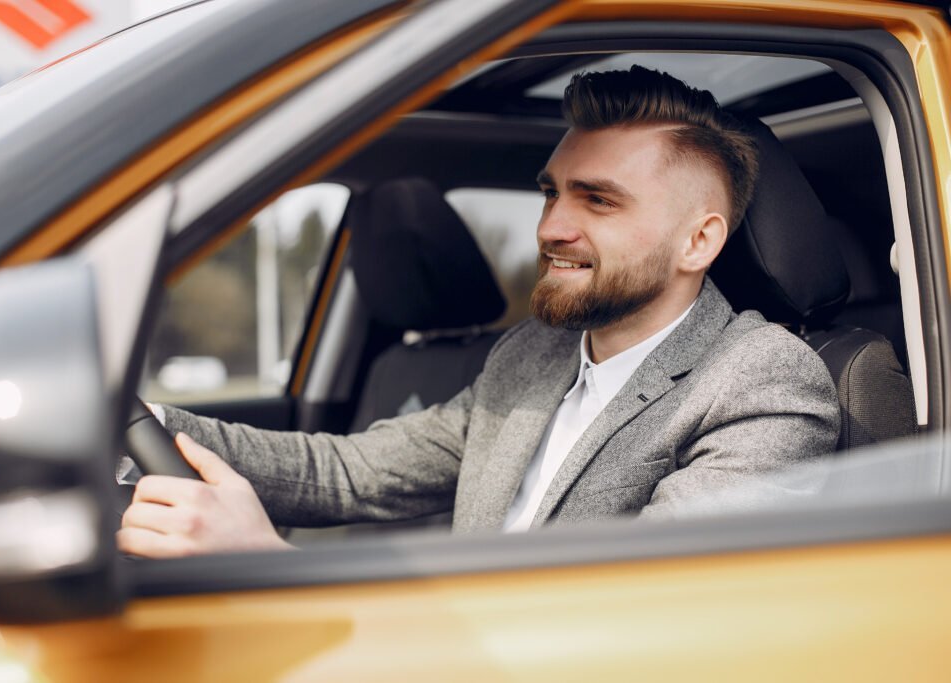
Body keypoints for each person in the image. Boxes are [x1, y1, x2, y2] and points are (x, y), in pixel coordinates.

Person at [117, 67, 840, 558]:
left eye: (598, 199)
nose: (552, 225)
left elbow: (638, 619)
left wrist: (267, 566)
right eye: (552, 191)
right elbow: (349, 472)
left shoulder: (762, 382)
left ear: (699, 240)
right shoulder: (529, 355)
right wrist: (130, 419)